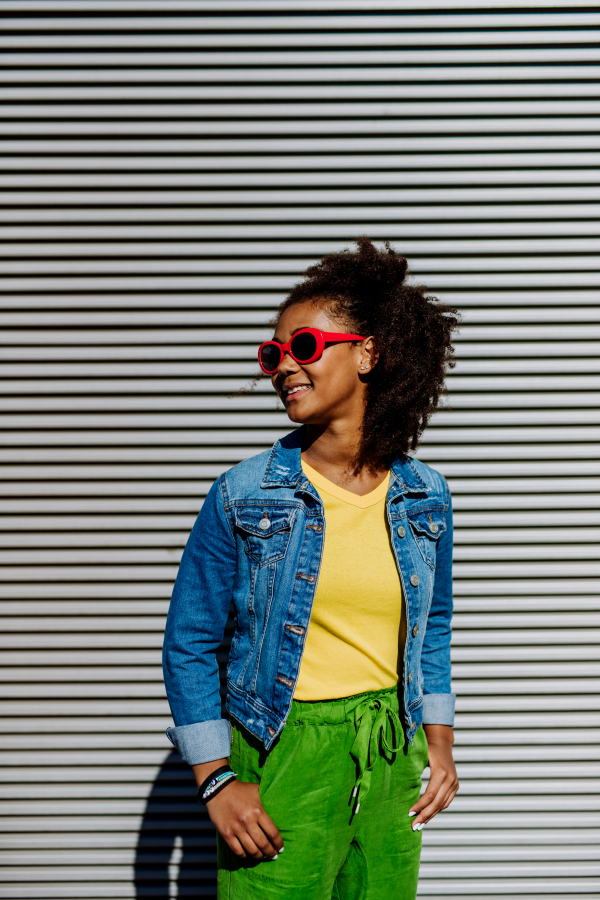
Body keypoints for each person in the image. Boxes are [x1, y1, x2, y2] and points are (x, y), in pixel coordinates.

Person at [163, 237, 461, 899]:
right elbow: (189, 641)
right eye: (273, 354)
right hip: (282, 749)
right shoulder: (244, 495)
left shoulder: (425, 497)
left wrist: (439, 742)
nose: (281, 368)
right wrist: (215, 778)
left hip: (390, 751)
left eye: (302, 348)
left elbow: (431, 629)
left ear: (367, 354)